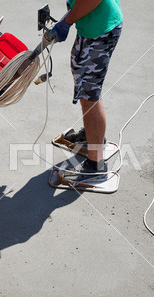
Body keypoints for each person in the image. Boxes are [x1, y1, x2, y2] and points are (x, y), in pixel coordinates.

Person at [50, 0, 123, 177]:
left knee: (90, 97)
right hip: (95, 24)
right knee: (88, 88)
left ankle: (95, 165)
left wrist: (67, 21)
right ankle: (93, 138)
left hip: (99, 29)